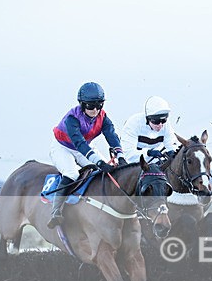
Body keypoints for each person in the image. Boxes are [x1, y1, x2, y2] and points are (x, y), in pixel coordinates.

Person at [48, 82, 127, 229]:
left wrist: (120, 157)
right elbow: (79, 143)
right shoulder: (72, 118)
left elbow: (111, 136)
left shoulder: (103, 117)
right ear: (82, 104)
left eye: (99, 105)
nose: (95, 110)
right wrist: (97, 161)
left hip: (83, 147)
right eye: (90, 106)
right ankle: (55, 211)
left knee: (108, 171)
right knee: (71, 174)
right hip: (62, 147)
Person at [120, 96, 180, 164]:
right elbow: (128, 155)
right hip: (132, 162)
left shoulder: (165, 125)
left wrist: (172, 151)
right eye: (156, 121)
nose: (160, 125)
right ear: (148, 118)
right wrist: (148, 153)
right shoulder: (133, 124)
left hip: (154, 161)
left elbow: (171, 143)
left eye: (163, 120)